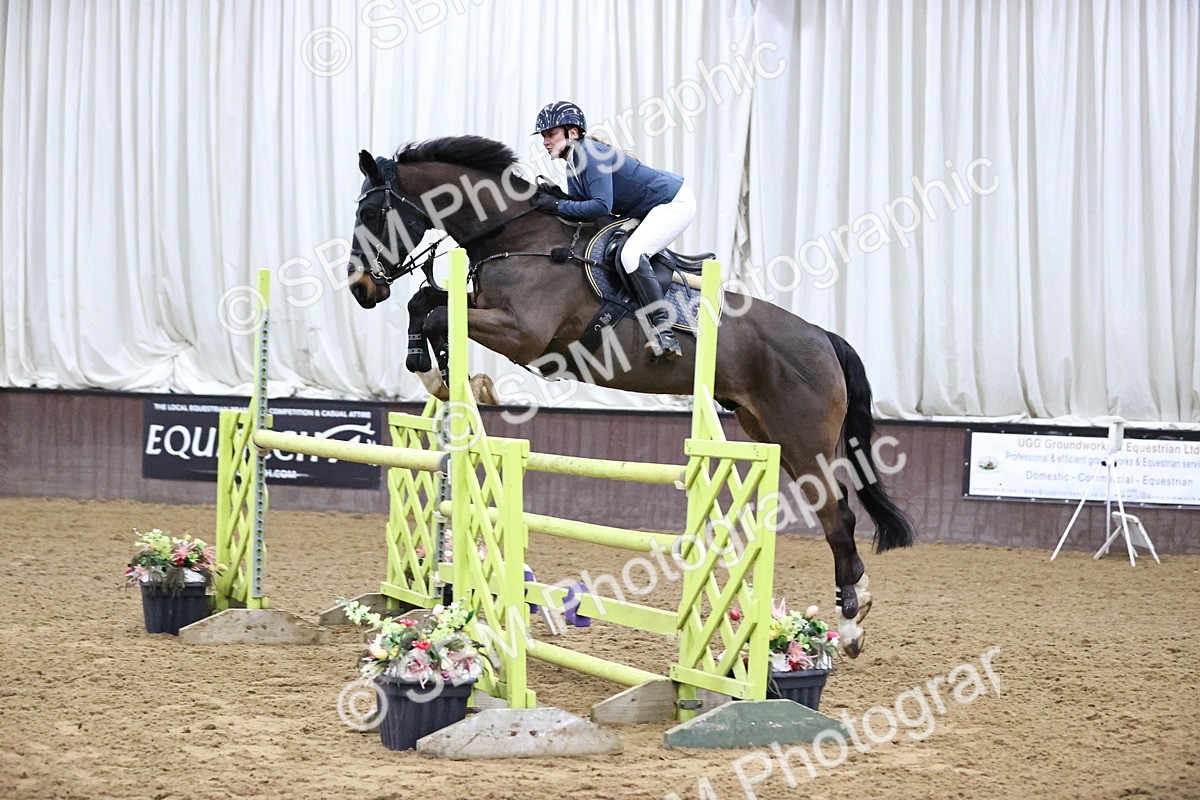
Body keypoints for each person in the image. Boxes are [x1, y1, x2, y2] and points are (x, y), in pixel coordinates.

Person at [530, 101, 694, 361]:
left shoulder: (589, 155)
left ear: (572, 133)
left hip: (673, 203)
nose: (545, 142)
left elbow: (600, 206)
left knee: (631, 255)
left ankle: (664, 331)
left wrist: (557, 205)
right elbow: (580, 209)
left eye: (550, 135)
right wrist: (554, 203)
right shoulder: (572, 162)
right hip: (647, 208)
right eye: (543, 137)